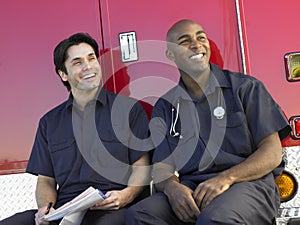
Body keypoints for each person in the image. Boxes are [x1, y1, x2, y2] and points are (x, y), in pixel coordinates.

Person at [125, 19, 291, 225]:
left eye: (201, 38)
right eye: (185, 41)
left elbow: (272, 153)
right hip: (195, 188)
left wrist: (226, 178)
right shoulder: (166, 106)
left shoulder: (245, 88)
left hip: (249, 184)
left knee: (215, 219)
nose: (196, 44)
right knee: (140, 215)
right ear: (170, 55)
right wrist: (172, 188)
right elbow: (161, 166)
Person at [0, 32, 151, 225]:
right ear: (63, 74)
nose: (88, 66)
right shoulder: (49, 122)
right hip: (66, 209)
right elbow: (46, 180)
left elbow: (142, 167)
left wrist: (126, 195)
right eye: (78, 62)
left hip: (112, 207)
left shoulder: (129, 110)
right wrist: (45, 210)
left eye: (91, 58)